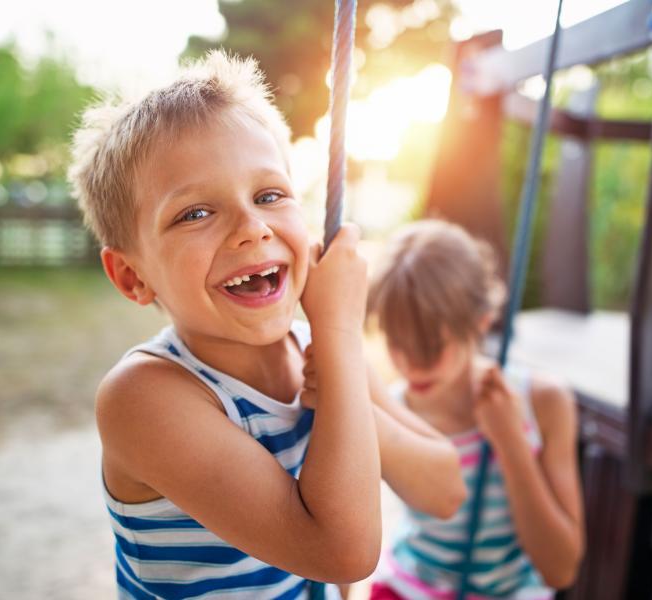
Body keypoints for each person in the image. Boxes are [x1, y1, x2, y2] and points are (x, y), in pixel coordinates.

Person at [68, 51, 466, 599]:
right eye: (195, 213)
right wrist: (342, 339)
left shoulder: (322, 352)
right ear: (132, 276)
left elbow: (445, 491)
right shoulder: (144, 398)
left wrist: (347, 392)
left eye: (269, 195)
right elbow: (342, 552)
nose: (252, 228)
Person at [366, 220, 585, 599]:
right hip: (409, 587)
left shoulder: (543, 402)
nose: (413, 363)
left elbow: (560, 569)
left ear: (481, 322)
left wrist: (510, 441)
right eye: (398, 343)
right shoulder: (391, 413)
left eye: (433, 344)